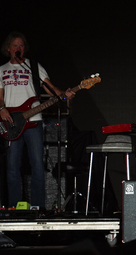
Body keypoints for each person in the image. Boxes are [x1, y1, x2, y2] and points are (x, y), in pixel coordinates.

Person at [0, 31, 75, 209]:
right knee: (12, 166)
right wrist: (1, 109)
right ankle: (14, 207)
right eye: (15, 45)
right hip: (11, 122)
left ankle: (38, 208)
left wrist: (65, 94)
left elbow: (49, 88)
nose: (18, 48)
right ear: (8, 48)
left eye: (21, 46)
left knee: (37, 165)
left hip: (34, 120)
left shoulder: (33, 66)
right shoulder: (1, 70)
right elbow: (0, 96)